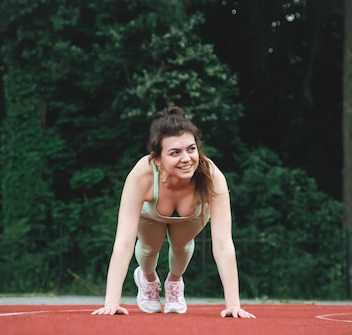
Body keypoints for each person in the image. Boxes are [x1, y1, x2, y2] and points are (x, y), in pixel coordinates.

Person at [92, 106, 255, 318]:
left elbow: (223, 244)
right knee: (150, 247)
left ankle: (175, 282)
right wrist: (112, 302)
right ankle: (148, 279)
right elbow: (123, 242)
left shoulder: (212, 176)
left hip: (193, 216)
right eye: (175, 153)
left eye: (191, 149)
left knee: (181, 245)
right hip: (150, 215)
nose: (186, 158)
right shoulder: (142, 175)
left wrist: (233, 304)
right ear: (157, 159)